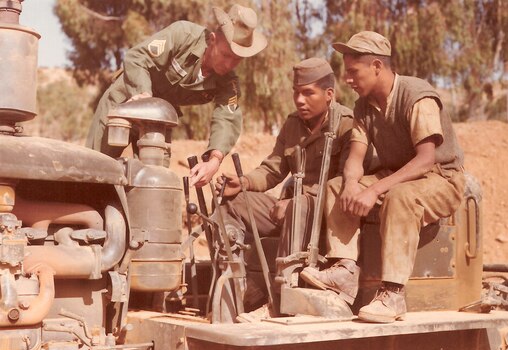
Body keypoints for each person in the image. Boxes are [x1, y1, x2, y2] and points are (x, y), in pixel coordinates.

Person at [300, 31, 465, 324]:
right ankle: (345, 271)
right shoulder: (363, 105)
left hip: (441, 178)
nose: (347, 79)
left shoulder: (417, 95)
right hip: (400, 175)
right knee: (337, 186)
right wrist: (352, 184)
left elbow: (426, 159)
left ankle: (392, 294)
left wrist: (374, 190)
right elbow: (355, 156)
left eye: (353, 71)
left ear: (377, 66)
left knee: (401, 197)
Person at [216, 58, 361, 318]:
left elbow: (342, 183)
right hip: (292, 207)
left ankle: (280, 301)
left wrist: (300, 199)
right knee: (235, 202)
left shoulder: (347, 124)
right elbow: (273, 169)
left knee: (300, 206)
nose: (299, 100)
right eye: (296, 93)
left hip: (327, 216)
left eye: (308, 93)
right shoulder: (293, 124)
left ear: (329, 95)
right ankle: (239, 284)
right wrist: (244, 182)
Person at [86, 4, 267, 187]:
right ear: (212, 40)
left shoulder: (229, 82)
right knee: (95, 169)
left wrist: (214, 161)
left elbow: (227, 118)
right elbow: (137, 57)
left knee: (154, 183)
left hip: (158, 122)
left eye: (236, 59)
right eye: (226, 55)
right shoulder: (183, 35)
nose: (229, 64)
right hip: (123, 105)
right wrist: (143, 95)